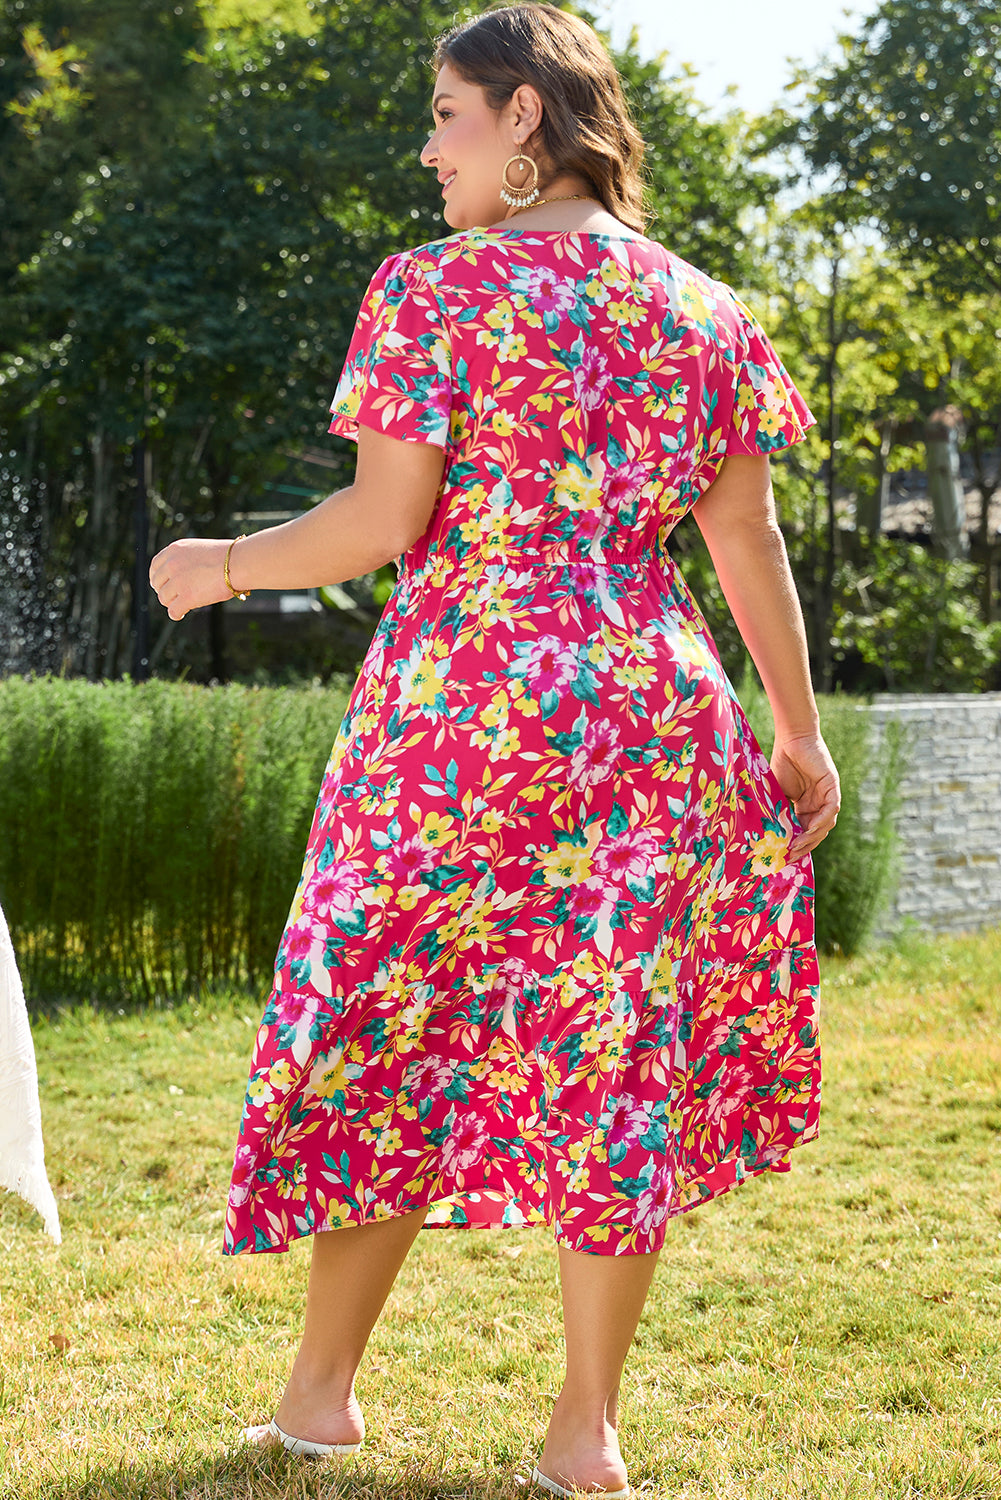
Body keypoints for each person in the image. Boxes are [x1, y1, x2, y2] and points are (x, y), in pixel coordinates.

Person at [150, 5, 840, 1495]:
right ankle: (583, 1434)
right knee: (613, 1043)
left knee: (386, 1018)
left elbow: (380, 527)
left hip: (464, 716)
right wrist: (794, 729)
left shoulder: (432, 293)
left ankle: (322, 1394)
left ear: (527, 118)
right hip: (652, 717)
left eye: (449, 114)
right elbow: (742, 535)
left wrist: (215, 562)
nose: (429, 146)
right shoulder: (701, 308)